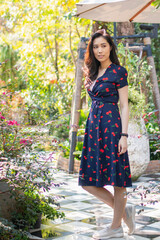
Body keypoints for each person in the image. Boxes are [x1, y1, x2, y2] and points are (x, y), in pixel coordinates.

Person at [78, 29, 136, 239]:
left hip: (112, 128)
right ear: (91, 50)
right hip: (94, 129)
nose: (99, 50)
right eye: (95, 47)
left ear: (110, 47)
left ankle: (115, 228)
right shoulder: (92, 73)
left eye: (103, 45)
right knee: (87, 182)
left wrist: (124, 135)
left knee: (117, 180)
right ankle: (123, 211)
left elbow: (125, 106)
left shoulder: (118, 72)